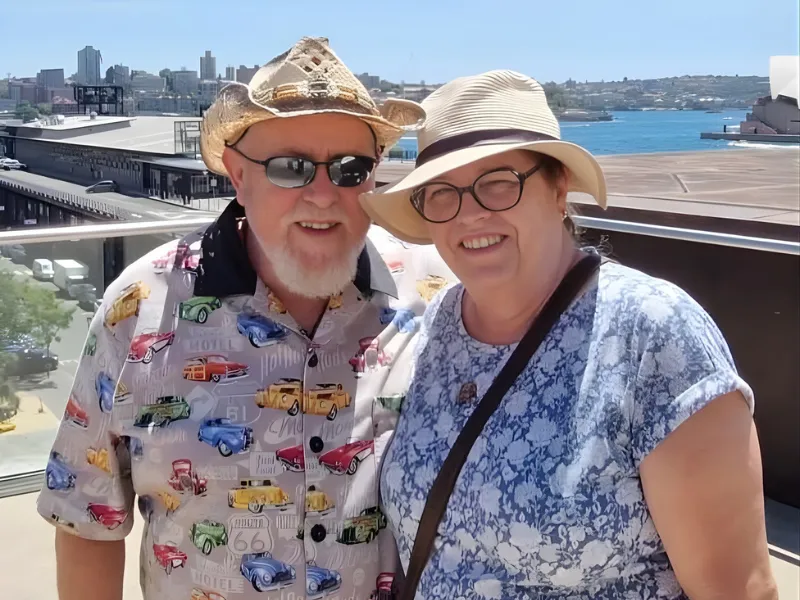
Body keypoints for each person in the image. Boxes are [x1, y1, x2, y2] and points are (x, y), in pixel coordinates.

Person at [36, 37, 432, 600]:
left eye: (350, 168)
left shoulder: (433, 294)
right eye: (290, 168)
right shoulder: (142, 304)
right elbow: (86, 516)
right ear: (236, 176)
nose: (323, 195)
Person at [362, 71, 778, 599]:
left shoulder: (651, 333)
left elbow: (741, 589)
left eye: (498, 183)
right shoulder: (440, 324)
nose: (469, 214)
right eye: (442, 193)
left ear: (559, 189)